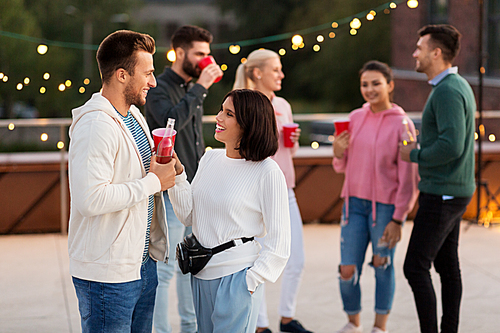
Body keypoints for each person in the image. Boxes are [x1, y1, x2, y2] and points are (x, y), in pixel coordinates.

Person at [68, 30, 177, 333]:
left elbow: (138, 175)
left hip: (142, 265)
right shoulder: (95, 125)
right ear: (121, 75)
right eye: (148, 73)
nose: (153, 82)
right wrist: (155, 181)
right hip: (107, 276)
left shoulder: (135, 118)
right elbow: (91, 199)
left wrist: (165, 165)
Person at [168, 89, 291, 333]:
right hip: (200, 275)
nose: (218, 117)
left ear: (249, 124)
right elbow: (190, 216)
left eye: (229, 114)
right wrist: (179, 176)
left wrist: (251, 281)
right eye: (221, 110)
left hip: (238, 277)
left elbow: (280, 242)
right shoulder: (209, 158)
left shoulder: (268, 171)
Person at [145, 25, 223, 333]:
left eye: (207, 53)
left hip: (195, 187)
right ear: (180, 53)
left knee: (193, 264)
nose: (206, 59)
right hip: (168, 188)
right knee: (165, 270)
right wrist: (200, 87)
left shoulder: (193, 88)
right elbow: (169, 122)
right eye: (199, 53)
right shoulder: (159, 86)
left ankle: (191, 329)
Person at [332, 60, 419, 333]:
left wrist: (398, 217)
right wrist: (337, 152)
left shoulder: (402, 125)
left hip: (386, 207)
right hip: (353, 203)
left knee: (382, 264)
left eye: (376, 83)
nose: (369, 89)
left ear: (390, 86)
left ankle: (379, 327)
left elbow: (409, 177)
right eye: (364, 84)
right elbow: (343, 165)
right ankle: (352, 323)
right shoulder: (355, 118)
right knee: (347, 269)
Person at [399, 25, 476, 333]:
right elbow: (449, 138)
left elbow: (451, 145)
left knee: (414, 267)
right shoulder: (453, 87)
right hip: (452, 189)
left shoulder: (447, 90)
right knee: (446, 266)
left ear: (436, 53)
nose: (414, 53)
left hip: (443, 192)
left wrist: (414, 154)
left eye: (420, 47)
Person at [232, 49, 312, 333]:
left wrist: (292, 142)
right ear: (257, 73)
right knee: (258, 261)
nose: (281, 74)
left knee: (296, 257)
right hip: (254, 192)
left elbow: (288, 150)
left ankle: (287, 319)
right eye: (275, 69)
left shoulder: (284, 105)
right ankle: (261, 325)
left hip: (286, 189)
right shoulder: (243, 104)